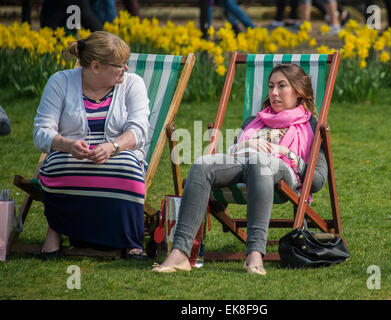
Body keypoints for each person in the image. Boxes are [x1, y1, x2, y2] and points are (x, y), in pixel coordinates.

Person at [152, 63, 328, 275]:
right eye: (271, 86)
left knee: (258, 164)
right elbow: (232, 154)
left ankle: (254, 254)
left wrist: (285, 152)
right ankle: (180, 253)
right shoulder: (254, 121)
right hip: (245, 161)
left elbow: (317, 180)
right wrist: (246, 145)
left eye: (282, 86)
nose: (274, 92)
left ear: (299, 91)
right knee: (202, 165)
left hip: (283, 172)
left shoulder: (312, 126)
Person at [34, 31, 150, 260]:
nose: (126, 69)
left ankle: (130, 241)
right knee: (56, 167)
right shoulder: (60, 82)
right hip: (69, 155)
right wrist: (66, 144)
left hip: (119, 153)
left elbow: (140, 130)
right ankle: (56, 232)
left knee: (127, 168)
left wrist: (113, 147)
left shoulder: (132, 84)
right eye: (120, 64)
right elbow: (41, 132)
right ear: (96, 66)